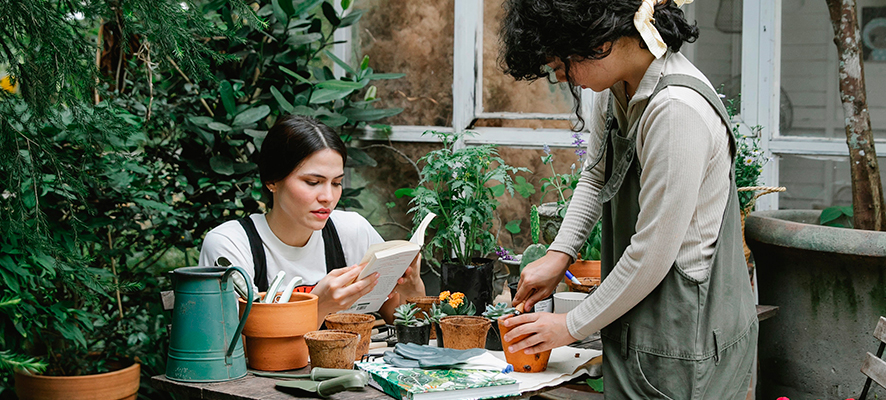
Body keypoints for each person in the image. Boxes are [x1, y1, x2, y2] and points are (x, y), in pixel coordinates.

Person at [500, 0, 758, 398]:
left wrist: (569, 327)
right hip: (642, 322)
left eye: (564, 64)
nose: (566, 76)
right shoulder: (617, 85)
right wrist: (559, 254)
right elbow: (595, 175)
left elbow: (652, 253)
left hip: (685, 337)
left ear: (603, 38)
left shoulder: (676, 112)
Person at [198, 115, 425, 327]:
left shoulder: (351, 230)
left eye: (336, 183)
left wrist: (412, 285)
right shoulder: (231, 245)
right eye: (313, 182)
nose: (327, 197)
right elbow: (235, 348)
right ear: (272, 181)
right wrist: (320, 304)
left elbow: (400, 319)